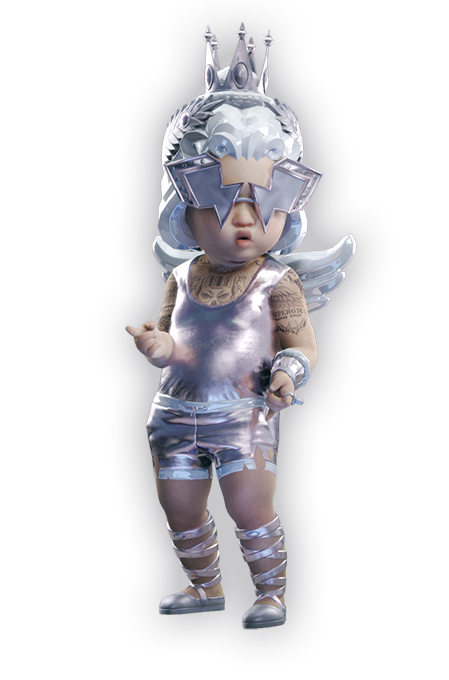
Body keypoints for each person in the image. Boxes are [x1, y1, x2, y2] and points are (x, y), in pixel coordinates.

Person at [124, 23, 356, 630]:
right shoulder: (180, 276)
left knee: (251, 507)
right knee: (180, 510)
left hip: (244, 413)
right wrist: (157, 345)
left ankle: (270, 593)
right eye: (224, 200)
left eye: (264, 199)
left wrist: (288, 370)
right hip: (173, 411)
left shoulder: (277, 280)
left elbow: (301, 341)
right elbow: (174, 340)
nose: (245, 220)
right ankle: (204, 586)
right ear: (183, 206)